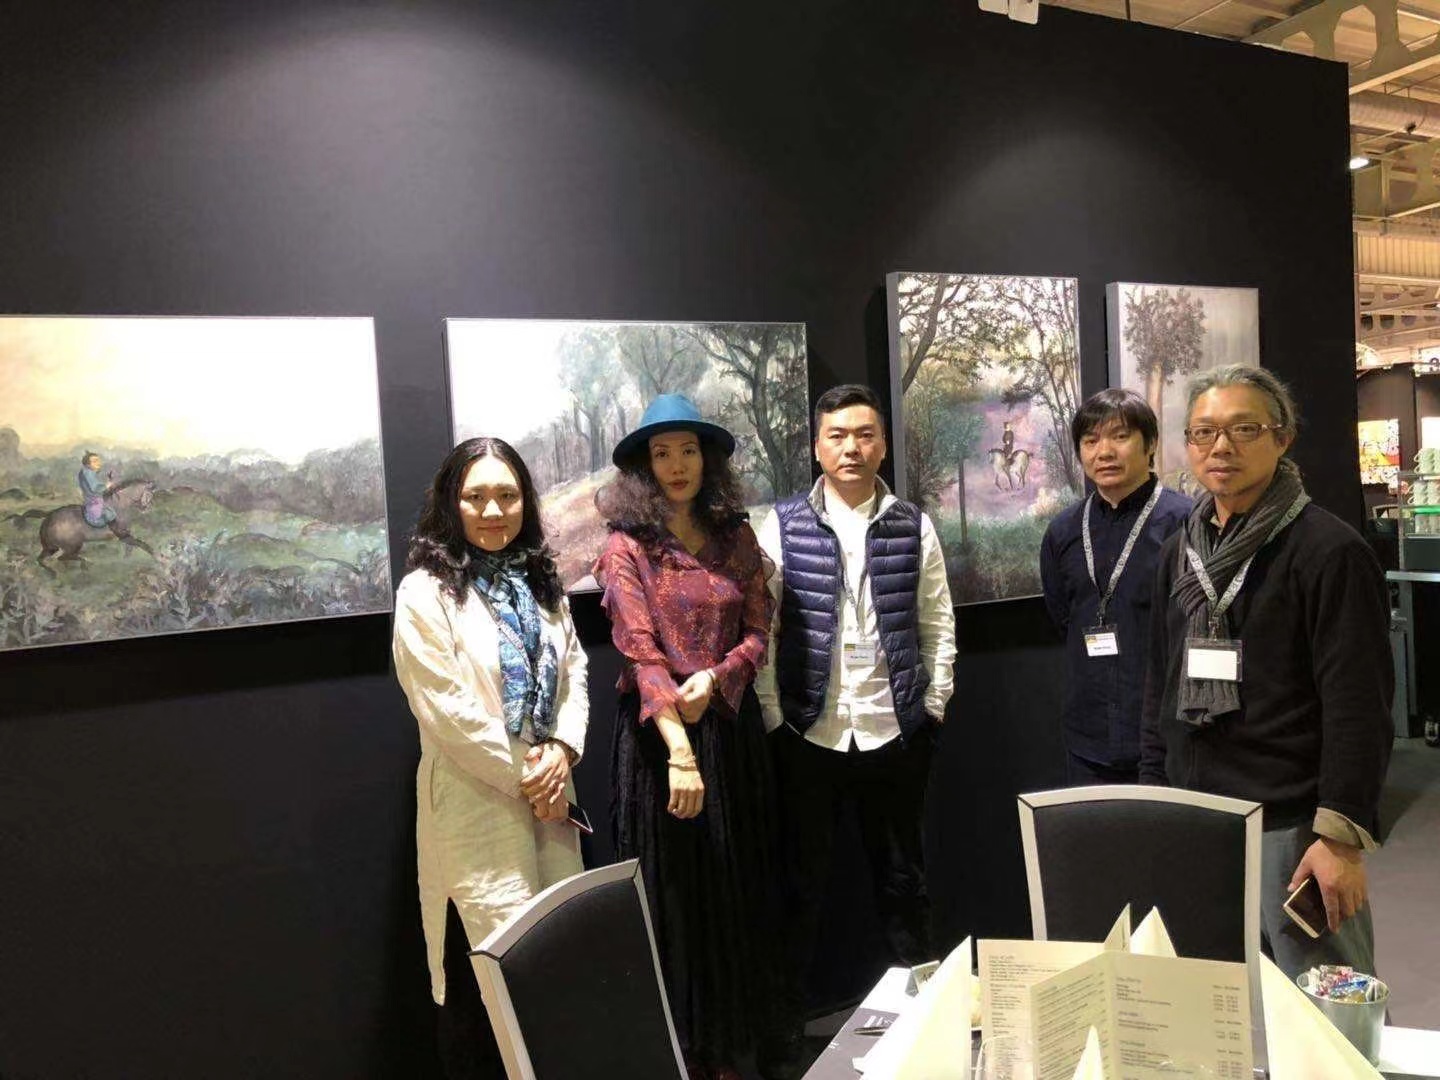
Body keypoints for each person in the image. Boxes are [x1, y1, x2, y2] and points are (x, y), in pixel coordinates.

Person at [1139, 365, 1393, 980]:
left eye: (1243, 429)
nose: (1220, 447)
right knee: (1218, 1004)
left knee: (1321, 1007)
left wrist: (1339, 840)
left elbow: (1358, 704)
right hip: (1199, 817)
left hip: (1292, 828)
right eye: (1203, 432)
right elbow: (1160, 684)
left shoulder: (1328, 551)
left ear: (1283, 438)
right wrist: (1154, 797)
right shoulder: (1181, 550)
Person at [754, 383, 956, 1080]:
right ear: (817, 447)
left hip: (893, 731)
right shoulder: (780, 525)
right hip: (809, 734)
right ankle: (782, 1041)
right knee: (797, 891)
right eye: (837, 436)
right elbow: (764, 627)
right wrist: (773, 715)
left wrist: (933, 704)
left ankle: (928, 1023)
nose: (851, 448)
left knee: (905, 886)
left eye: (864, 434)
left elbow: (936, 620)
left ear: (882, 443)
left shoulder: (912, 524)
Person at [392, 437, 590, 1080]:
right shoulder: (425, 592)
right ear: (451, 504)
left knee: (548, 969)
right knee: (481, 974)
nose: (493, 510)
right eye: (475, 497)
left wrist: (562, 748)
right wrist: (533, 779)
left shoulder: (540, 582)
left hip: (550, 798)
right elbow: (446, 710)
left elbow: (574, 672)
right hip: (476, 806)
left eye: (507, 495)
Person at [594, 393, 778, 1080]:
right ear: (644, 465)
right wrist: (679, 751)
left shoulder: (737, 538)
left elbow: (758, 631)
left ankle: (730, 1053)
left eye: (689, 450)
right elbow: (639, 652)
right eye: (662, 452)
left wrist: (720, 675)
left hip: (729, 735)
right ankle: (682, 1059)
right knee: (674, 900)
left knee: (734, 889)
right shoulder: (626, 547)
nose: (677, 465)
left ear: (708, 459)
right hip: (659, 747)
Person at [1040, 389, 1192, 785]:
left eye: (1120, 436)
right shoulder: (1063, 531)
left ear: (1150, 443)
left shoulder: (1186, 522)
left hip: (1168, 735)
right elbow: (1063, 617)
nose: (1104, 452)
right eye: (1090, 441)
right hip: (1088, 733)